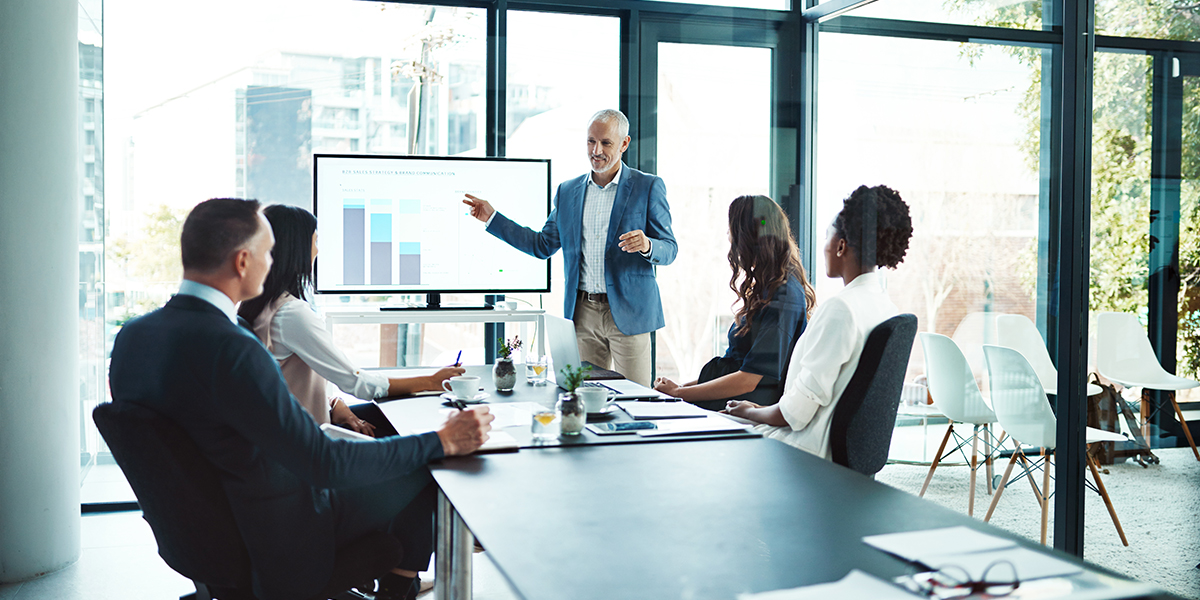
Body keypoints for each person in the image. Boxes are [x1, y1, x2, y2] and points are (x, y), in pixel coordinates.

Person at [108, 198, 493, 600]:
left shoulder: (133, 337)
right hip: (280, 534)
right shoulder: (234, 348)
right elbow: (323, 464)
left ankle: (397, 583)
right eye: (268, 252)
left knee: (399, 457)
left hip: (204, 534)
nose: (274, 262)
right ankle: (399, 589)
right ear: (243, 261)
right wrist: (441, 441)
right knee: (427, 468)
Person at [462, 109, 677, 386]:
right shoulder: (568, 191)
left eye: (606, 143)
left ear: (624, 144)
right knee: (585, 397)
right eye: (591, 141)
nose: (596, 150)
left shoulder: (648, 187)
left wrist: (648, 245)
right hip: (582, 314)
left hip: (630, 314)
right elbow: (542, 245)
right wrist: (493, 217)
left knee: (635, 399)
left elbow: (669, 248)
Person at [238, 204, 463, 436]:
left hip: (286, 432)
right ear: (298, 249)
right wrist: (431, 381)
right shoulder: (291, 314)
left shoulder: (260, 306)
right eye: (315, 242)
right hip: (307, 443)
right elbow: (358, 383)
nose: (317, 251)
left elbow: (290, 381)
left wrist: (335, 403)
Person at [724, 185, 913, 460]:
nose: (824, 245)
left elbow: (795, 414)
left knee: (705, 432)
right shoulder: (886, 307)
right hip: (831, 452)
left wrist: (750, 412)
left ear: (840, 246)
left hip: (802, 451)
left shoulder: (841, 309)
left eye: (827, 236)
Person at [653, 195, 816, 411]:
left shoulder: (783, 296)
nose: (729, 237)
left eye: (732, 230)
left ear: (748, 238)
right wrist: (678, 389)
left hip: (744, 407)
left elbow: (748, 379)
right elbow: (736, 368)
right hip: (734, 400)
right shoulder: (769, 288)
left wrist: (679, 393)